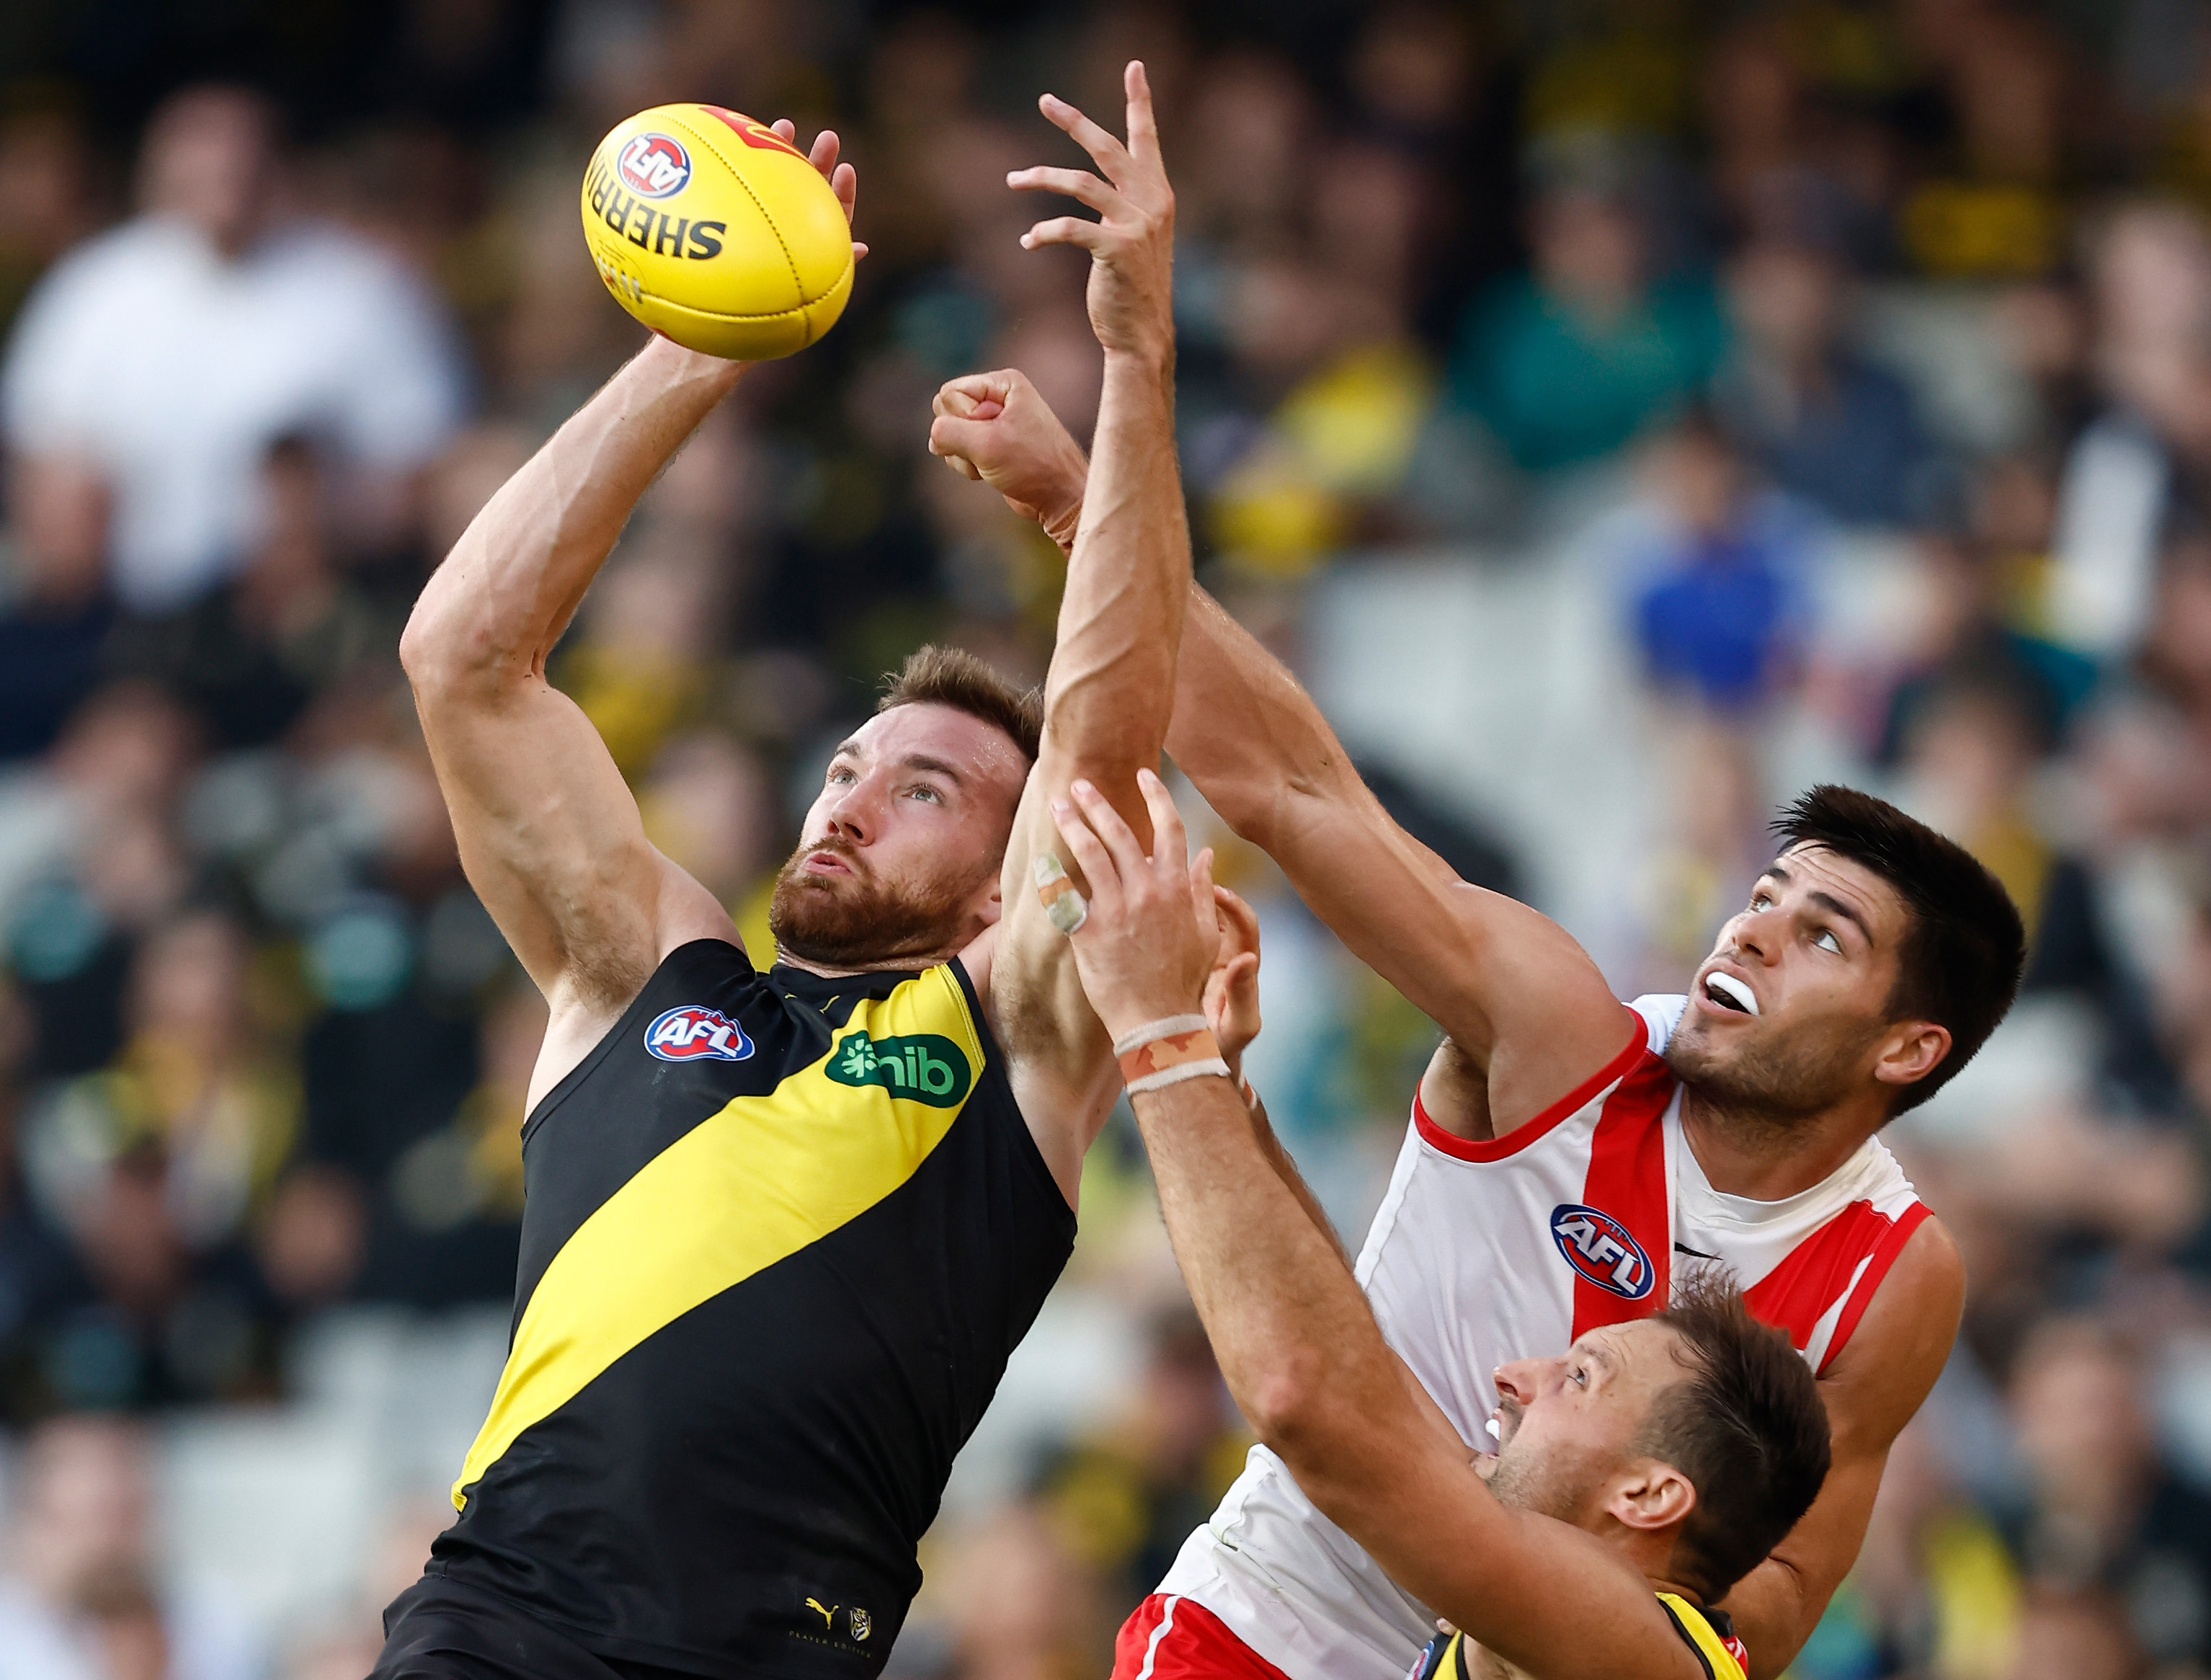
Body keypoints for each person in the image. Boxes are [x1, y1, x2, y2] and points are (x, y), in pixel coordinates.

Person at [930, 401, 2026, 1680]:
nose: (1751, 935)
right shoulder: (1566, 1033)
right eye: (1762, 898)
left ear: (1908, 1051)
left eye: (1822, 936)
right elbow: (1285, 785)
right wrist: (1078, 499)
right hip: (1268, 1627)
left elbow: (1773, 1593)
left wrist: (1576, 1632)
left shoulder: (1897, 1275)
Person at [371, 68, 1199, 1680]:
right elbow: (464, 661)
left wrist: (1133, 359)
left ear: (996, 886)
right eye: (842, 769)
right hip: (492, 1623)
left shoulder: (1007, 1034)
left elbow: (1105, 729)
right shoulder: (642, 972)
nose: (848, 803)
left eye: (922, 788)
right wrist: (700, 340)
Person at [1039, 765, 1834, 1680]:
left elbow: (1309, 1400)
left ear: (1649, 1494)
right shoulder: (1589, 1620)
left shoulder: (1623, 1649)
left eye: (1578, 1374)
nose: (1513, 1375)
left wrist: (1156, 1029)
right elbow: (1366, 1372)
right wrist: (1227, 1091)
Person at [0, 85, 464, 616]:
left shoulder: (364, 287)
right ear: (156, 172)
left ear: (277, 167)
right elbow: (41, 459)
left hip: (318, 606)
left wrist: (323, 519)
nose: (223, 185)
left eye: (238, 165)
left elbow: (421, 460)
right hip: (127, 609)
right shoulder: (93, 289)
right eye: (201, 166)